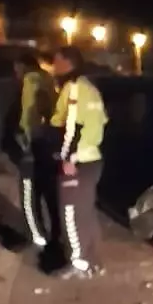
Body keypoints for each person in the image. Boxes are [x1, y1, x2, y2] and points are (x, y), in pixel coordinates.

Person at [50, 47, 107, 277]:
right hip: (93, 158)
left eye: (56, 61)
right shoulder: (91, 89)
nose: (53, 66)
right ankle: (93, 260)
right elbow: (101, 121)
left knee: (71, 213)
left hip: (77, 160)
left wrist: (67, 157)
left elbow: (72, 128)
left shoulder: (72, 89)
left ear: (68, 64)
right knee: (86, 211)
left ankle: (78, 262)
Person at [18, 49, 61, 253]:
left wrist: (26, 139)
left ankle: (37, 235)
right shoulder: (48, 79)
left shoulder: (30, 80)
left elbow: (28, 113)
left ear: (22, 66)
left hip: (35, 143)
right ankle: (58, 233)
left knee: (29, 194)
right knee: (51, 191)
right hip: (51, 141)